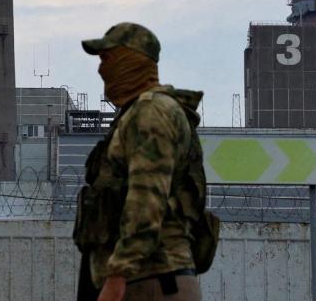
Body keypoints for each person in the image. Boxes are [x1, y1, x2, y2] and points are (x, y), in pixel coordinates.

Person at [73, 22, 217, 301]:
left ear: (130, 60)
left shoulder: (151, 112)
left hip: (149, 280)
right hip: (144, 279)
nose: (101, 69)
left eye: (107, 59)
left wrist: (117, 276)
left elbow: (146, 200)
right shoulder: (138, 112)